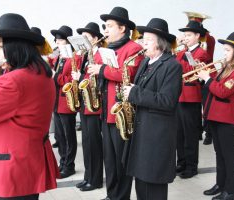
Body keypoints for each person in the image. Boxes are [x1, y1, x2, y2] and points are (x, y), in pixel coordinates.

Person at [0, 13, 59, 200]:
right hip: (29, 161)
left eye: (0, 46)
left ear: (15, 46)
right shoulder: (39, 72)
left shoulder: (14, 80)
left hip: (11, 167)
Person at [87, 6, 144, 200]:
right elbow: (95, 68)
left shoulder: (134, 49)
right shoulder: (106, 48)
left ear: (122, 28)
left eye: (109, 26)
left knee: (120, 160)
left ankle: (121, 196)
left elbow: (129, 75)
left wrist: (102, 70)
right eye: (105, 26)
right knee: (109, 159)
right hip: (105, 110)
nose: (105, 30)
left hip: (121, 111)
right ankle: (112, 194)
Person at [123, 18, 182, 200]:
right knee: (141, 183)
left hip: (156, 136)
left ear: (160, 43)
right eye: (143, 39)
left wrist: (134, 93)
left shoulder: (172, 66)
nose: (142, 43)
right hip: (142, 132)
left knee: (153, 187)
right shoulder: (145, 62)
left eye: (147, 40)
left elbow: (167, 101)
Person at [197, 32, 234, 200]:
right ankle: (220, 185)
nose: (224, 53)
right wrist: (206, 73)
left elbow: (222, 91)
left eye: (227, 50)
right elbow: (215, 84)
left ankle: (231, 191)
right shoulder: (226, 67)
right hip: (215, 115)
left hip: (226, 118)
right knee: (219, 153)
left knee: (228, 155)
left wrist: (207, 78)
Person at [176, 20, 211, 179]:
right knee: (179, 133)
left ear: (198, 36)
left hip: (191, 97)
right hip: (178, 96)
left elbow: (189, 70)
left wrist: (181, 54)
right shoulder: (181, 51)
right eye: (185, 34)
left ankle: (191, 166)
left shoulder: (202, 53)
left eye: (189, 35)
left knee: (190, 134)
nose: (185, 37)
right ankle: (181, 161)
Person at [73, 22, 104, 191]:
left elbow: (99, 80)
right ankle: (88, 176)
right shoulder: (87, 55)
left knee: (94, 144)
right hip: (85, 104)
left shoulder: (99, 55)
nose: (83, 40)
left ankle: (96, 179)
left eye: (87, 37)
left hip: (94, 105)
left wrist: (80, 77)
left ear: (96, 39)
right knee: (86, 143)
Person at [50, 25, 81, 178]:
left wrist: (55, 77)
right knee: (60, 136)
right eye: (56, 40)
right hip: (55, 101)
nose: (57, 43)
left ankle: (69, 165)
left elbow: (72, 80)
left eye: (60, 40)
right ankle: (62, 162)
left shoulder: (75, 57)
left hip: (66, 101)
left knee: (69, 137)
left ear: (68, 41)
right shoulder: (58, 57)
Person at [184, 11, 216, 145]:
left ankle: (208, 133)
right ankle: (198, 132)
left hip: (205, 74)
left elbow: (205, 55)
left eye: (197, 22)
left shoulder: (208, 38)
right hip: (194, 77)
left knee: (206, 106)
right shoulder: (189, 43)